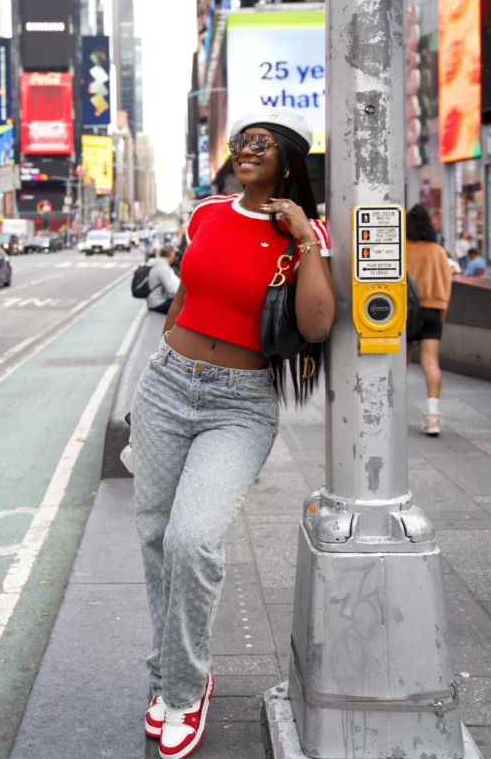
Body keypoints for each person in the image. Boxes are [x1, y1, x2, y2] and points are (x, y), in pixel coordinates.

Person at [132, 107, 337, 759]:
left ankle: (185, 692)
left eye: (261, 144)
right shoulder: (204, 213)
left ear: (285, 161)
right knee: (157, 540)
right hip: (165, 386)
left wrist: (303, 235)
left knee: (193, 542)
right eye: (242, 142)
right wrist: (169, 357)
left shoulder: (305, 232)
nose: (247, 149)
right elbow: (191, 292)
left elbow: (313, 325)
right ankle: (169, 678)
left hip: (240, 405)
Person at [406, 204, 453, 435]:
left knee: (398, 364)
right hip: (431, 310)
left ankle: (392, 413)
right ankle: (433, 418)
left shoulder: (400, 246)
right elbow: (446, 284)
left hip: (404, 311)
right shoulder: (437, 250)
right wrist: (440, 313)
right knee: (431, 362)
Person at [146, 245, 181, 315]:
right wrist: (184, 295)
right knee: (183, 307)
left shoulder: (157, 263)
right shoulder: (162, 267)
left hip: (153, 301)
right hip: (157, 302)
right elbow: (170, 289)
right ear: (171, 255)